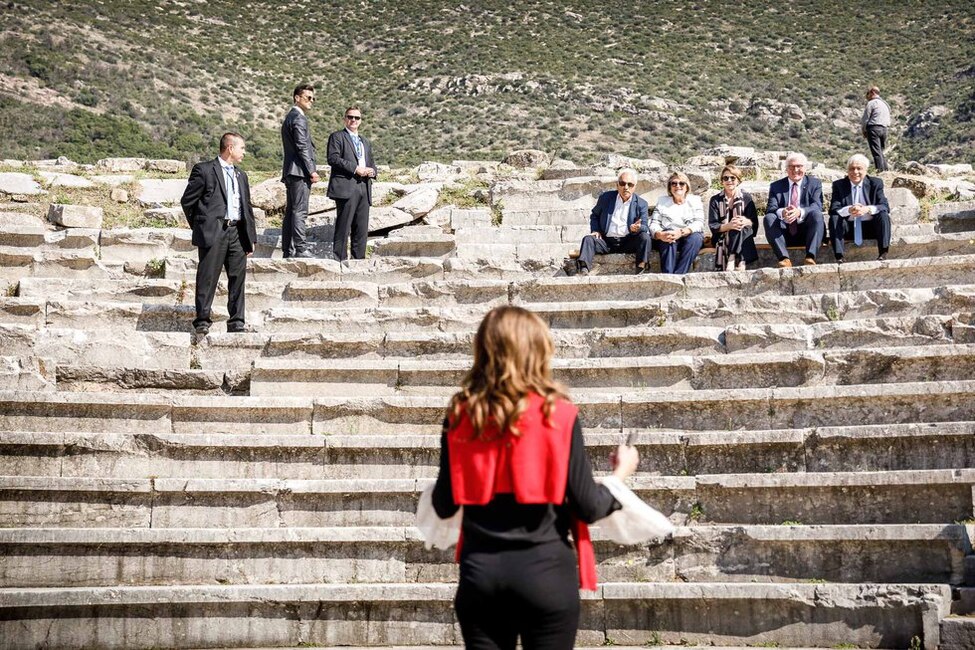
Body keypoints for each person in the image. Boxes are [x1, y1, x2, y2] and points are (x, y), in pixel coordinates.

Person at [431, 305, 639, 650]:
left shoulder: (461, 413)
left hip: (481, 575)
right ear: (539, 349)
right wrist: (620, 474)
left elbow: (443, 504)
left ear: (483, 350)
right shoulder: (559, 413)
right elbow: (588, 506)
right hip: (546, 574)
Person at [180, 132, 258, 335]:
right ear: (230, 148)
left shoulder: (242, 175)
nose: (244, 152)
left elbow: (246, 207)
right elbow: (188, 201)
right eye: (242, 148)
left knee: (238, 279)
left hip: (237, 232)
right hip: (214, 232)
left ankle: (236, 322)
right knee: (207, 277)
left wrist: (251, 237)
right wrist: (201, 226)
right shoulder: (204, 170)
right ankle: (202, 320)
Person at [571, 167, 651, 276]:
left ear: (634, 187)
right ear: (617, 185)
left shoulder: (641, 204)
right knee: (588, 239)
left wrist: (637, 228)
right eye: (622, 183)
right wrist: (596, 230)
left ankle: (641, 268)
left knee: (645, 238)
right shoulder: (606, 198)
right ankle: (584, 270)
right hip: (606, 241)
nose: (626, 187)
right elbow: (594, 215)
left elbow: (645, 227)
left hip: (628, 241)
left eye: (630, 184)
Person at [326, 105, 376, 261]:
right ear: (344, 119)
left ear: (361, 121)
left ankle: (358, 260)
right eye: (350, 117)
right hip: (346, 186)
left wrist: (372, 171)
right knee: (344, 226)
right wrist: (355, 169)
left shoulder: (365, 141)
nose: (353, 120)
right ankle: (339, 260)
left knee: (361, 228)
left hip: (364, 186)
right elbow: (333, 159)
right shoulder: (337, 137)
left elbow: (372, 162)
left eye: (357, 118)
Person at [763, 152, 825, 267]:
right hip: (784, 232)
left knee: (817, 215)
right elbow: (771, 208)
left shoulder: (814, 184)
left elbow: (817, 205)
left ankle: (810, 257)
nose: (795, 170)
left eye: (799, 166)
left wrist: (800, 212)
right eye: (792, 167)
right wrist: (782, 212)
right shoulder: (776, 186)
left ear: (805, 168)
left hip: (806, 231)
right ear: (786, 169)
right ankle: (784, 259)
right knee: (769, 218)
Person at [829, 153, 892, 263]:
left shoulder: (875, 183)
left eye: (859, 168)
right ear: (847, 170)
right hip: (848, 227)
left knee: (883, 215)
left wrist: (867, 209)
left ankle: (883, 252)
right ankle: (839, 256)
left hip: (871, 226)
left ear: (866, 170)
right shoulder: (839, 185)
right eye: (852, 169)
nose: (855, 172)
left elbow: (884, 205)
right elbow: (834, 208)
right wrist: (849, 209)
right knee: (834, 218)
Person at [280, 83, 319, 259]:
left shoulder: (290, 117)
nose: (312, 101)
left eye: (313, 98)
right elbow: (302, 146)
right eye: (308, 97)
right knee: (299, 211)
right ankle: (301, 249)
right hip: (299, 172)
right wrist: (311, 170)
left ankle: (288, 250)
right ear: (297, 98)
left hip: (291, 171)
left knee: (291, 212)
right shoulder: (299, 118)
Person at [649, 171, 705, 274]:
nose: (677, 186)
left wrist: (681, 232)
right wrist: (659, 234)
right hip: (668, 237)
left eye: (681, 183)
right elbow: (654, 223)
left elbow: (699, 223)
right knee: (668, 234)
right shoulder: (662, 202)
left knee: (696, 237)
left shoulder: (695, 201)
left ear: (687, 187)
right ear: (670, 187)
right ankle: (668, 275)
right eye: (673, 183)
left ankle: (679, 275)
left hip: (688, 236)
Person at [708, 164, 758, 271]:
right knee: (736, 225)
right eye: (726, 178)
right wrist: (729, 226)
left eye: (733, 178)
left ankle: (732, 258)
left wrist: (746, 221)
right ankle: (740, 261)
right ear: (722, 181)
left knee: (742, 224)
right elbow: (713, 226)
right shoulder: (715, 200)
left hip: (744, 233)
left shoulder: (746, 198)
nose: (729, 180)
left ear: (738, 181)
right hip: (721, 237)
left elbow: (754, 224)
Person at [861, 86, 891, 172]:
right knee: (880, 151)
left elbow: (865, 119)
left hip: (874, 128)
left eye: (868, 94)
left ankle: (880, 171)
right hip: (884, 129)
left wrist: (864, 130)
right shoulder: (886, 104)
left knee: (876, 152)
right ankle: (886, 170)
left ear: (872, 92)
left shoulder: (871, 103)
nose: (867, 97)